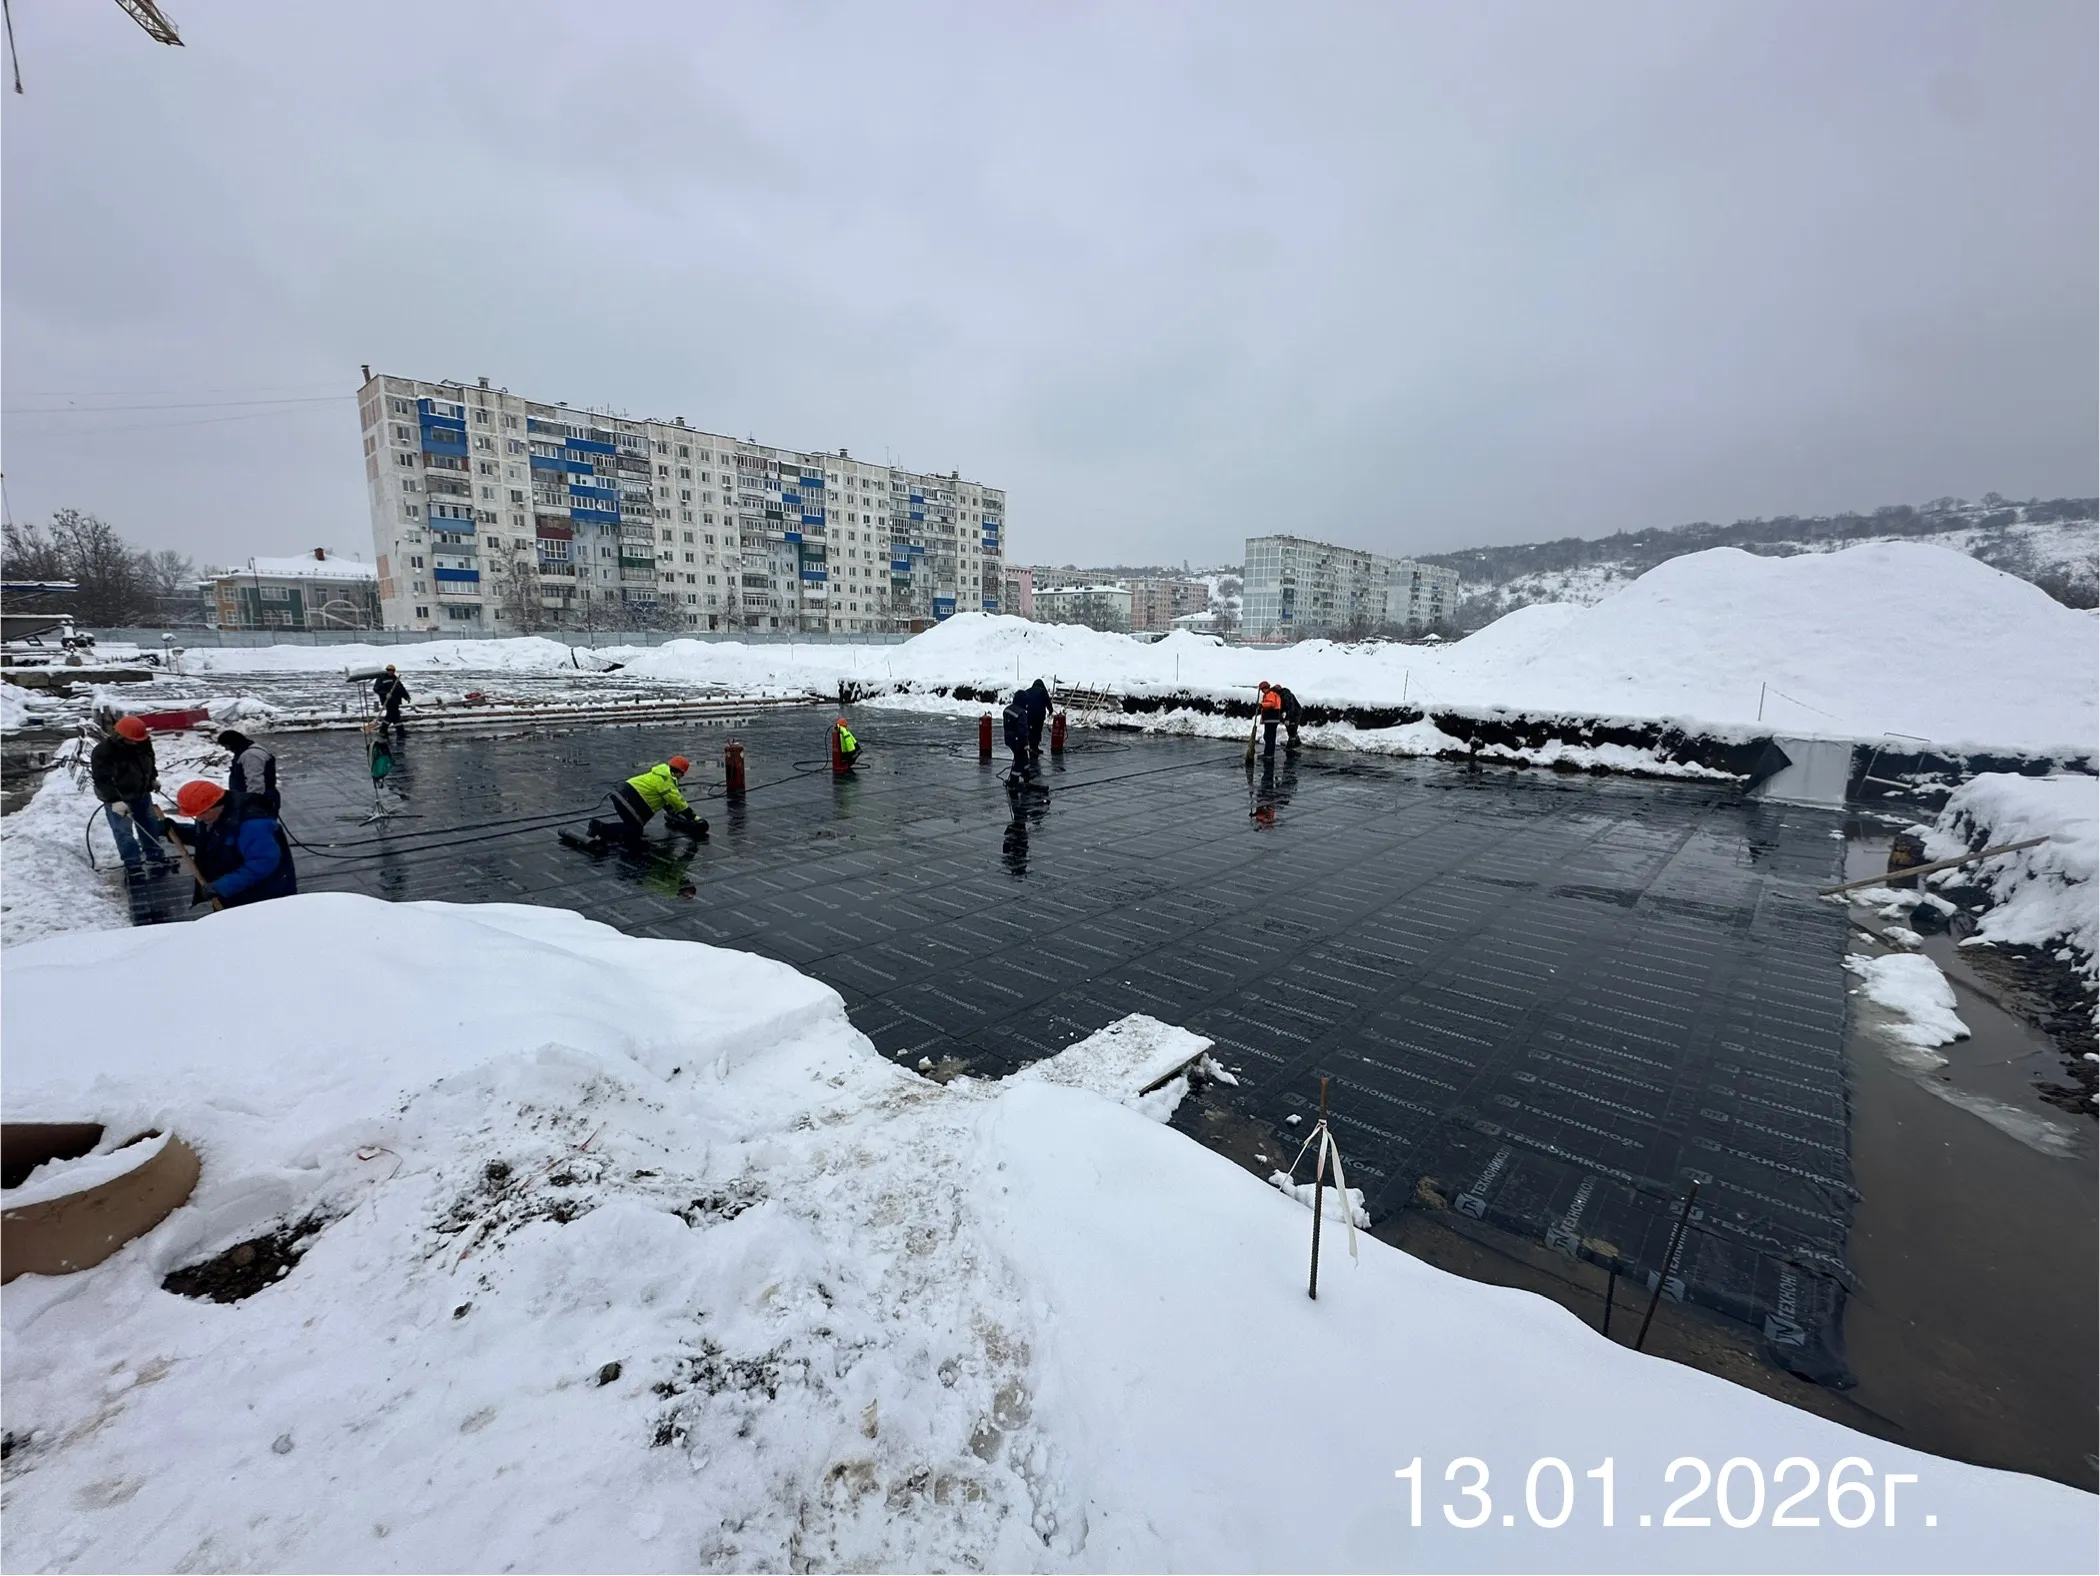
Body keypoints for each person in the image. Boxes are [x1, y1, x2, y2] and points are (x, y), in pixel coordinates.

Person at [173, 779, 297, 909]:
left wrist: (222, 886)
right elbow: (211, 839)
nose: (199, 818)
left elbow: (263, 862)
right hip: (234, 894)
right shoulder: (213, 816)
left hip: (261, 898)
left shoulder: (253, 824)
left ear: (217, 803)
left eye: (202, 813)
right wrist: (177, 831)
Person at [90, 716, 172, 877]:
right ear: (120, 736)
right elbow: (102, 779)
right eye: (131, 740)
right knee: (123, 830)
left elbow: (149, 762)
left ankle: (154, 856)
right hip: (117, 796)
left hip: (141, 792)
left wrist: (152, 778)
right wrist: (115, 800)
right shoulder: (103, 752)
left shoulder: (143, 742)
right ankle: (133, 864)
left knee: (149, 824)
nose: (135, 743)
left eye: (138, 740)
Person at [587, 756, 704, 846]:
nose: (681, 777)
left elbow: (666, 800)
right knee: (633, 832)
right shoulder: (666, 781)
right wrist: (692, 817)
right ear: (678, 771)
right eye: (682, 774)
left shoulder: (661, 774)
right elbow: (678, 801)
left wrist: (671, 811)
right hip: (630, 800)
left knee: (633, 828)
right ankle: (600, 828)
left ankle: (605, 830)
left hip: (623, 795)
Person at [218, 729, 279, 813]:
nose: (226, 749)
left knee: (258, 825)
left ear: (232, 742)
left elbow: (255, 780)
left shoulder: (251, 755)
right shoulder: (245, 750)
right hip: (248, 797)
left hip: (260, 800)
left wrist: (253, 803)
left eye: (226, 746)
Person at [1001, 692, 1033, 781]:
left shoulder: (1007, 709)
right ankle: (1013, 780)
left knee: (1023, 756)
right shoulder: (1021, 713)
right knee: (1019, 759)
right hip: (1018, 740)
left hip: (1009, 739)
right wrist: (1025, 743)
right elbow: (1022, 731)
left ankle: (1026, 774)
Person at [1020, 678, 1051, 760]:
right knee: (1037, 731)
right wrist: (1050, 710)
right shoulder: (1043, 691)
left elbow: (1023, 702)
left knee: (1030, 730)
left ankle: (1031, 747)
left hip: (1029, 715)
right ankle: (1035, 748)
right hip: (1039, 715)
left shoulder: (1028, 691)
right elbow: (1048, 701)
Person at [1256, 681, 1285, 759]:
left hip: (1271, 718)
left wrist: (1262, 705)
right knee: (1270, 737)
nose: (1262, 691)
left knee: (1268, 737)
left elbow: (1271, 704)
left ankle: (1268, 754)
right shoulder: (1272, 694)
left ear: (1266, 688)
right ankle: (1269, 753)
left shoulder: (1270, 694)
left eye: (1263, 689)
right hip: (1272, 719)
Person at [1272, 682, 1303, 750]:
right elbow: (1282, 708)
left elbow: (1290, 707)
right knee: (1290, 727)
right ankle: (1297, 743)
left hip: (1296, 712)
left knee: (1291, 728)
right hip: (1291, 711)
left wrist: (1288, 718)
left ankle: (1290, 747)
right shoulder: (1280, 696)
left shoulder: (1286, 695)